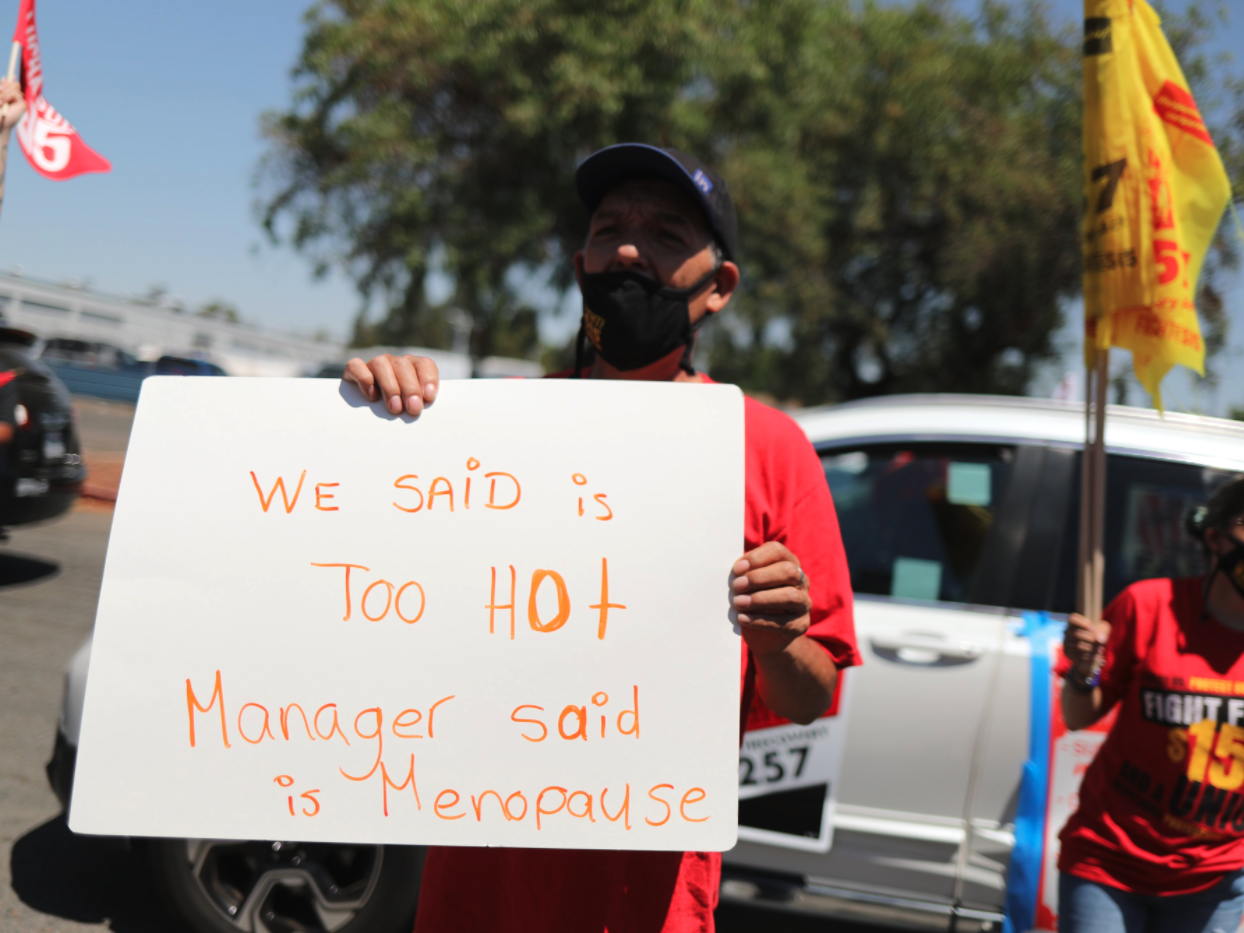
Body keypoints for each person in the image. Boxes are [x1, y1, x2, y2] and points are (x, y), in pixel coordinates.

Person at [344, 143, 860, 932]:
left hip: (650, 905)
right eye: (609, 226)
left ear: (719, 287)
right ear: (579, 262)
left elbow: (812, 694)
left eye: (664, 233)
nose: (627, 247)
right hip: (472, 894)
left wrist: (777, 639)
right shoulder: (482, 426)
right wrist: (375, 417)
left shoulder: (768, 447)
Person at [1058, 477, 1244, 932]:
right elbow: (1078, 715)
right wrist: (1084, 671)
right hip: (1108, 861)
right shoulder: (1148, 605)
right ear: (1217, 539)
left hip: (1216, 879)